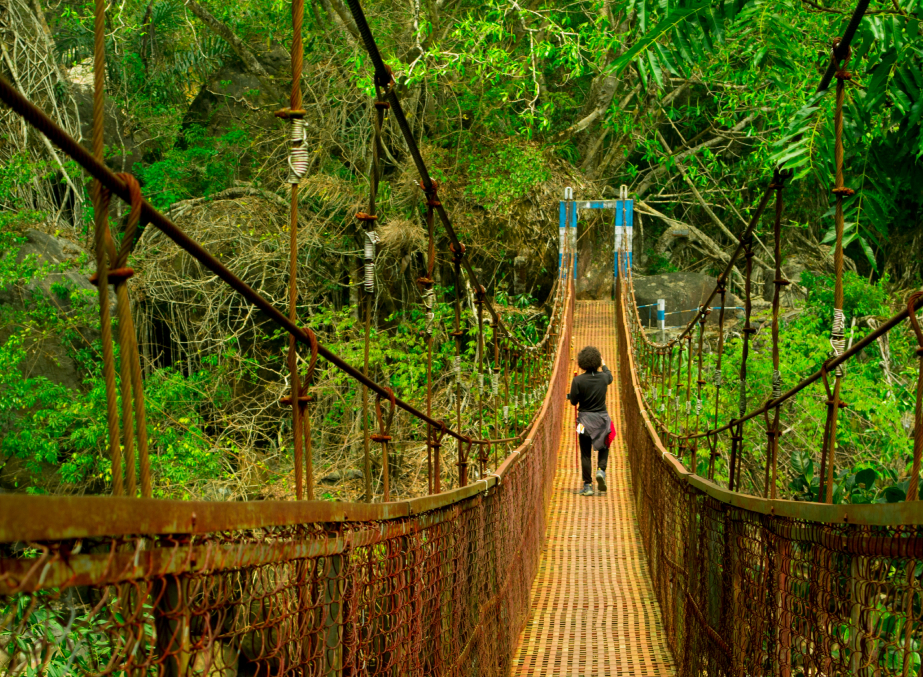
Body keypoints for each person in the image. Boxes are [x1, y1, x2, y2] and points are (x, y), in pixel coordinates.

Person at [567, 345, 613, 496]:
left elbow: (574, 402)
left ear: (582, 362)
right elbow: (610, 375)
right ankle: (601, 470)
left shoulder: (578, 380)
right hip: (602, 420)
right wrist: (604, 363)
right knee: (604, 445)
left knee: (585, 452)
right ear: (597, 361)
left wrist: (574, 396)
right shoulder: (604, 378)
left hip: (583, 423)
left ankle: (587, 486)